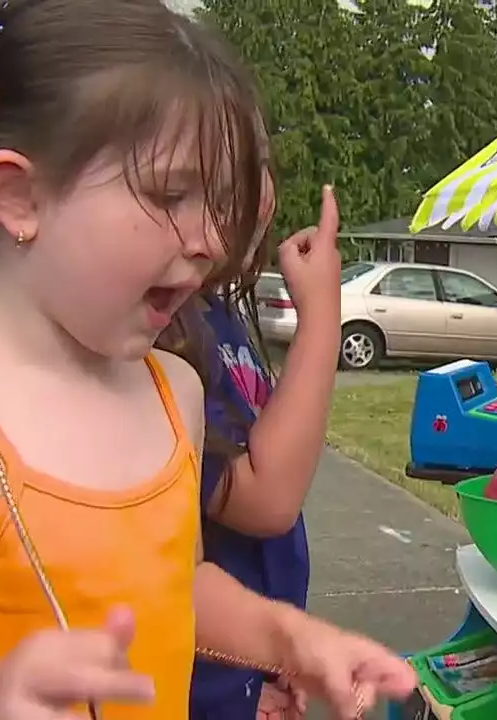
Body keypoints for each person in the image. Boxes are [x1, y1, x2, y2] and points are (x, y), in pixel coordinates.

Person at [0, 2, 415, 719]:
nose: (209, 239)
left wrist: (286, 636)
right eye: (171, 194)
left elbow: (165, 587)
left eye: (220, 202)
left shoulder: (174, 393)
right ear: (18, 196)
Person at [166, 159, 341, 717]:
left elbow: (187, 574)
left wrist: (275, 652)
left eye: (262, 162)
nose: (263, 196)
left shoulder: (204, 317)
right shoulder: (162, 342)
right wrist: (321, 316)